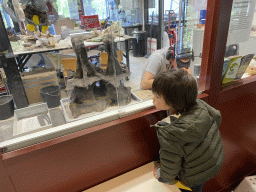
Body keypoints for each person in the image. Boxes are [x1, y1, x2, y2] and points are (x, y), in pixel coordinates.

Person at [151, 68, 225, 192]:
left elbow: (170, 164)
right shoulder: (200, 105)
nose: (152, 99)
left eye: (157, 96)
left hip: (193, 175)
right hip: (212, 162)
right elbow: (217, 117)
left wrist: (162, 175)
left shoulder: (169, 131)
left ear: (173, 102)